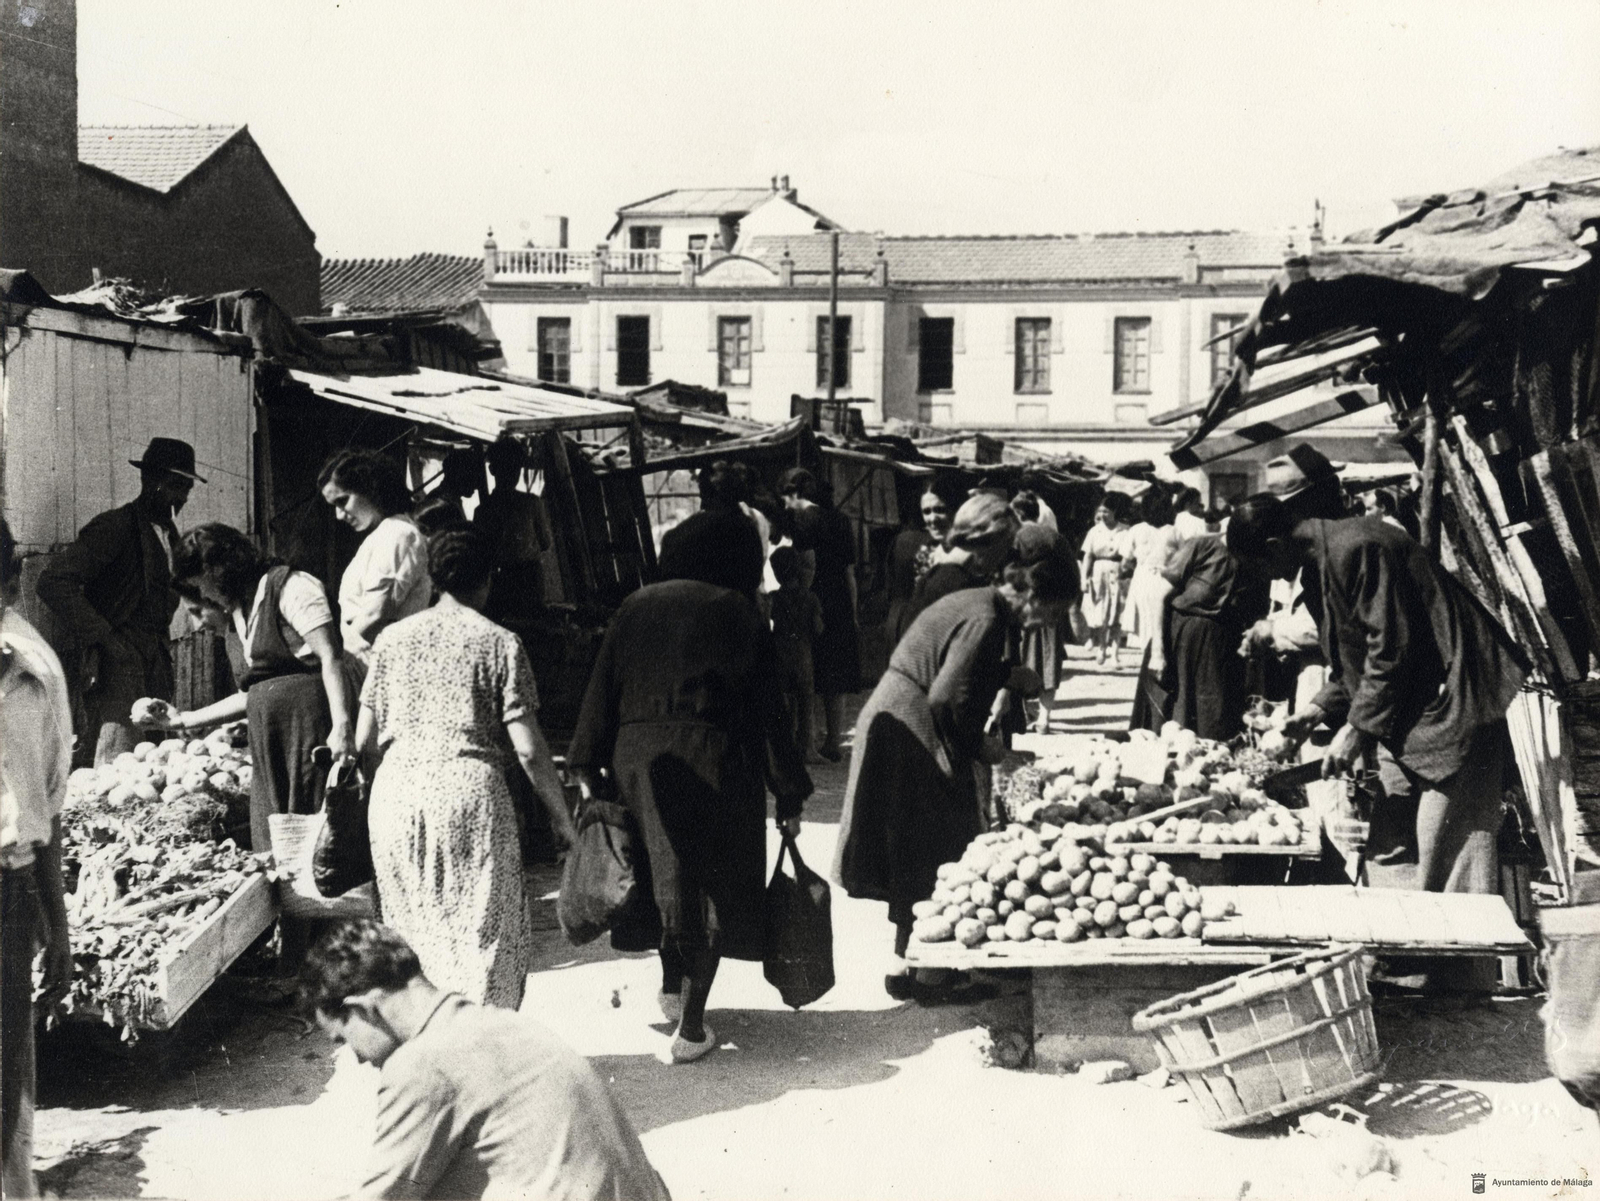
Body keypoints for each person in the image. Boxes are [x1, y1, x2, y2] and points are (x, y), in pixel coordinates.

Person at [1228, 494, 1530, 900]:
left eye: (1258, 568)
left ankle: (1452, 959)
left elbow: (1392, 650)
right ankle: (1398, 957)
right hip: (1411, 715)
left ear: (1273, 548)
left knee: (1450, 865)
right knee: (1389, 853)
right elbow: (1356, 660)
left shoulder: (1360, 548)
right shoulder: (1321, 568)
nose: (1267, 580)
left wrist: (1356, 729)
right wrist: (1314, 712)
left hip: (1456, 704)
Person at [567, 576, 811, 1063]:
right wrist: (787, 794)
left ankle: (670, 986)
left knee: (659, 875)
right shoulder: (738, 609)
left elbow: (601, 685)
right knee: (710, 889)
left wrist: (585, 759)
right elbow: (770, 709)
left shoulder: (637, 604)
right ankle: (692, 1027)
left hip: (639, 760)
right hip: (714, 759)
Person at [835, 526, 1080, 1002]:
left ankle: (911, 963)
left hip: (902, 720)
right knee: (939, 846)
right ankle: (933, 977)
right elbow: (947, 697)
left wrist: (1009, 674)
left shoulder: (980, 603)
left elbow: (958, 669)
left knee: (916, 850)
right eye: (1050, 613)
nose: (1044, 625)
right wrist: (983, 748)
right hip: (913, 729)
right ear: (1030, 588)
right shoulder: (986, 617)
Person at [357, 529, 576, 1009]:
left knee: (411, 933)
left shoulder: (391, 640)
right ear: (488, 580)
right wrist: (563, 818)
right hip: (468, 792)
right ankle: (481, 1053)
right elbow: (529, 750)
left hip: (396, 793)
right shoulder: (498, 642)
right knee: (484, 934)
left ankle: (425, 1055)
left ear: (433, 578)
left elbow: (363, 740)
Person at [301, 921, 669, 1201]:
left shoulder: (420, 1064)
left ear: (362, 1009)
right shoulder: (498, 1023)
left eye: (343, 1038)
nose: (358, 1058)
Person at [159, 525, 360, 851]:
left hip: (308, 731)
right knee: (277, 839)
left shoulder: (290, 587)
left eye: (202, 585)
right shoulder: (239, 613)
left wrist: (342, 725)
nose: (205, 595)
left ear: (219, 569)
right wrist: (184, 720)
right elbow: (251, 693)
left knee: (317, 833)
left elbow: (331, 656)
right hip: (271, 745)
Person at [36, 436, 204, 766]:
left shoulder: (168, 534)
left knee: (153, 762)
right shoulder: (114, 527)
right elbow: (53, 582)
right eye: (175, 486)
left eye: (186, 489)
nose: (181, 498)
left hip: (155, 661)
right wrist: (106, 639)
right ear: (150, 481)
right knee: (117, 759)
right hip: (115, 665)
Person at [1, 519, 73, 1200]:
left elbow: (42, 815)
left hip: (7, 889)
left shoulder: (35, 673)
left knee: (6, 1083)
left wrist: (57, 920)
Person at [1140, 527, 1270, 740]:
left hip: (1222, 653)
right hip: (1178, 644)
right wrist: (1157, 652)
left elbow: (1257, 614)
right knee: (1169, 723)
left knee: (1213, 720)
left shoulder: (1258, 561)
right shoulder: (1202, 546)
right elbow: (1158, 596)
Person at [319, 450, 432, 668]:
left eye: (343, 501)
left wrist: (331, 661)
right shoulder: (384, 534)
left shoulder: (398, 534)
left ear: (370, 489)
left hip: (382, 662)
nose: (339, 515)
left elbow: (375, 613)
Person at [779, 467, 861, 761]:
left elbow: (797, 564)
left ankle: (807, 740)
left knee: (807, 673)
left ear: (793, 494)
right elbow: (849, 572)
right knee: (835, 672)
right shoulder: (841, 520)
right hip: (839, 597)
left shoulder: (796, 521)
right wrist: (852, 611)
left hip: (809, 597)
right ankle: (834, 742)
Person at [902, 491, 1018, 630]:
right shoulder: (959, 585)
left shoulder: (939, 575)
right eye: (1005, 546)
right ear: (988, 541)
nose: (1003, 556)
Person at [658, 460, 765, 599]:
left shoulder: (680, 533)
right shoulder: (745, 527)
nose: (701, 504)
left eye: (703, 496)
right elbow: (753, 580)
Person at [473, 438, 553, 625]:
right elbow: (545, 542)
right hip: (518, 579)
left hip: (512, 579)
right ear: (493, 470)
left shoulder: (484, 510)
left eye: (514, 468)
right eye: (508, 467)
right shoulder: (530, 503)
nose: (512, 473)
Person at [885, 479, 961, 647]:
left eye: (939, 510)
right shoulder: (924, 553)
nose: (932, 519)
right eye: (926, 512)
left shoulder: (968, 553)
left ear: (955, 510)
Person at [769, 546, 824, 764]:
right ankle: (807, 748)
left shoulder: (773, 598)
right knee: (805, 701)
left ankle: (784, 746)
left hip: (780, 653)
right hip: (803, 653)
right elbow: (818, 628)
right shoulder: (810, 598)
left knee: (784, 702)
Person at [1078, 492, 1133, 666]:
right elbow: (1087, 556)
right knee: (1101, 614)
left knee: (1117, 614)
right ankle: (1102, 647)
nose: (1102, 515)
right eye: (1100, 511)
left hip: (1119, 572)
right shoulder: (1094, 531)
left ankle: (1115, 653)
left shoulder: (1125, 530)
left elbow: (1130, 556)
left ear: (1115, 511)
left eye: (1107, 511)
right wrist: (1083, 578)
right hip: (1099, 572)